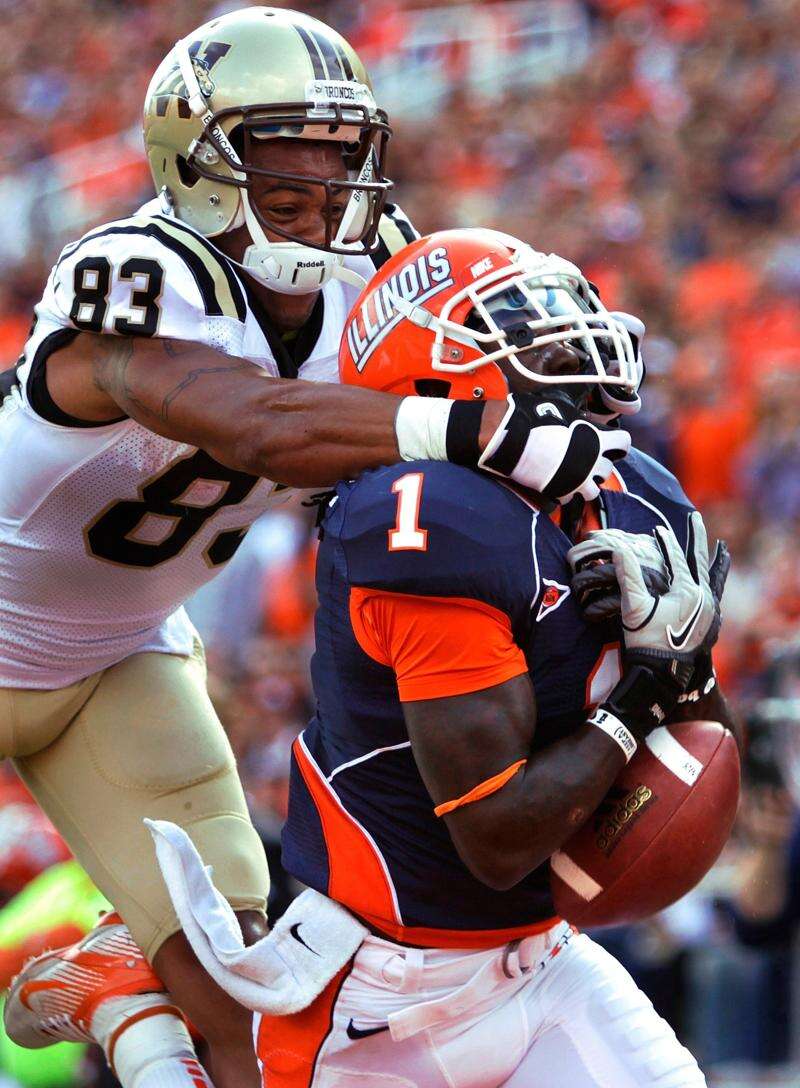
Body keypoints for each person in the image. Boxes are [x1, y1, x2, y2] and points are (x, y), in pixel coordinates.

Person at [0, 9, 632, 1088]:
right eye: (284, 152)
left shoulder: (374, 272)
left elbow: (481, 402)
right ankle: (128, 1007)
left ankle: (118, 997)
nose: (323, 183)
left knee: (240, 998)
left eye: (339, 155)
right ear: (195, 159)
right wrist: (483, 431)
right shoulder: (137, 271)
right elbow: (258, 424)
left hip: (116, 658)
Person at [247, 229, 736, 1086]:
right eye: (518, 321)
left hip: (542, 961)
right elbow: (497, 839)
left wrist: (681, 661)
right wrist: (643, 692)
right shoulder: (427, 514)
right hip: (379, 998)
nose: (566, 340)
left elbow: (701, 746)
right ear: (433, 373)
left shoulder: (635, 494)